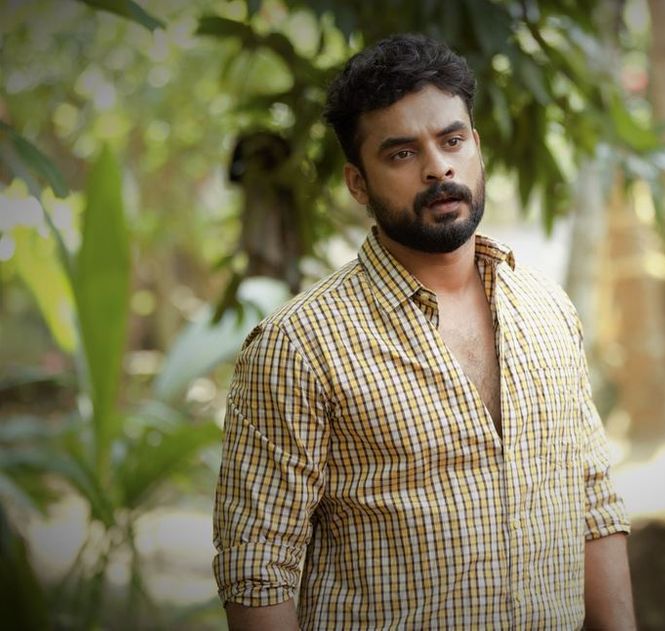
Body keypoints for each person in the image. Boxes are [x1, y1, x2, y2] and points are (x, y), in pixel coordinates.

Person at [212, 33, 635, 630]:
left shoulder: (547, 309)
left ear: (476, 146)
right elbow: (259, 568)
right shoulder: (298, 346)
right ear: (358, 183)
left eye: (451, 140)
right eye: (402, 153)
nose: (438, 167)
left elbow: (593, 501)